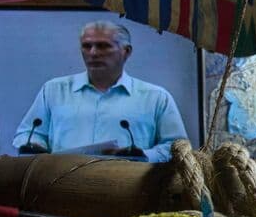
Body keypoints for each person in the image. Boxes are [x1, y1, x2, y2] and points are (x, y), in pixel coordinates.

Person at [12, 20, 187, 162]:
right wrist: (34, 146)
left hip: (127, 188)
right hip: (62, 187)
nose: (93, 53)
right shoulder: (54, 90)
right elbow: (27, 134)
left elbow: (176, 147)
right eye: (87, 46)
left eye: (103, 46)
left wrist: (142, 155)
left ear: (126, 52)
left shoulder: (155, 97)